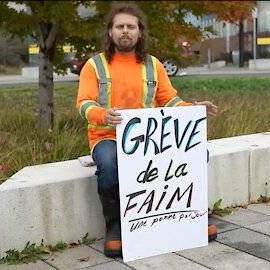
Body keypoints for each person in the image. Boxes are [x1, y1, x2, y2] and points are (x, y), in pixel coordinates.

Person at [76, 2, 218, 258]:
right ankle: (116, 226)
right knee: (109, 165)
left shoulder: (153, 65)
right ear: (110, 31)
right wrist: (102, 114)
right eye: (120, 26)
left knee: (197, 153)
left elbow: (170, 100)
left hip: (149, 139)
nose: (125, 31)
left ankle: (192, 216)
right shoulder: (94, 66)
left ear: (140, 32)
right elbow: (83, 104)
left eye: (131, 26)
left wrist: (192, 108)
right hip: (108, 136)